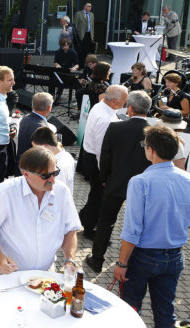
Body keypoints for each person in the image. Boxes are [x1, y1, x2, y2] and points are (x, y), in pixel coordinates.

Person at [121, 126, 190, 326]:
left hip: (143, 257)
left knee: (130, 309)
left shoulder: (140, 182)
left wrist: (122, 263)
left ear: (151, 150)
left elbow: (132, 230)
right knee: (165, 312)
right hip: (175, 256)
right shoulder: (187, 180)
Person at [0, 147, 81, 273]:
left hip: (45, 274)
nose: (52, 180)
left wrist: (70, 259)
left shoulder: (62, 192)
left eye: (55, 173)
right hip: (10, 272)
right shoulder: (5, 192)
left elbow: (70, 229)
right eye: (45, 176)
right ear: (26, 174)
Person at [84, 90, 152, 273]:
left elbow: (105, 157)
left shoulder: (115, 128)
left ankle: (97, 260)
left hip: (116, 183)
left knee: (106, 221)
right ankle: (135, 262)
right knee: (141, 224)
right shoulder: (154, 132)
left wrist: (105, 178)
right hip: (144, 186)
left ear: (129, 108)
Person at [79, 84, 128, 238]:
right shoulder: (105, 119)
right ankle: (89, 229)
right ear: (114, 102)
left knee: (96, 194)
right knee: (98, 196)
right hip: (96, 160)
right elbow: (102, 150)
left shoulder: (101, 106)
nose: (126, 103)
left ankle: (83, 217)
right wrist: (104, 174)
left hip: (91, 154)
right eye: (124, 100)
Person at [30, 127, 75, 194]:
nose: (36, 151)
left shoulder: (57, 168)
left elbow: (56, 193)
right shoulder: (67, 155)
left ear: (45, 146)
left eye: (36, 148)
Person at [16, 92, 54, 158]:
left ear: (32, 105)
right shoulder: (42, 129)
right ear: (49, 108)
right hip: (32, 165)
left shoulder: (25, 118)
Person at [74, 2, 95, 67]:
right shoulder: (78, 14)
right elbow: (75, 25)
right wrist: (75, 35)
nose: (90, 7)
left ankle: (82, 65)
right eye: (88, 6)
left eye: (90, 6)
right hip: (81, 35)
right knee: (79, 50)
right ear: (84, 7)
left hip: (88, 35)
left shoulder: (91, 14)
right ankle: (77, 64)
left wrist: (92, 35)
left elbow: (92, 25)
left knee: (86, 51)